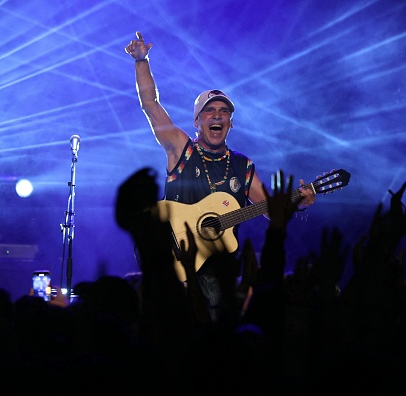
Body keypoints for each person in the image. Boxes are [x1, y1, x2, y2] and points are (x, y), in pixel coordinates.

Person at [124, 31, 316, 321]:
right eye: (209, 111)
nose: (217, 116)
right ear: (197, 122)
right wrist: (142, 61)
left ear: (230, 123)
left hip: (219, 274)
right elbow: (150, 106)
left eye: (223, 112)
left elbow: (270, 208)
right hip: (172, 263)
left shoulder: (243, 166)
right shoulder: (181, 148)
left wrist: (299, 202)